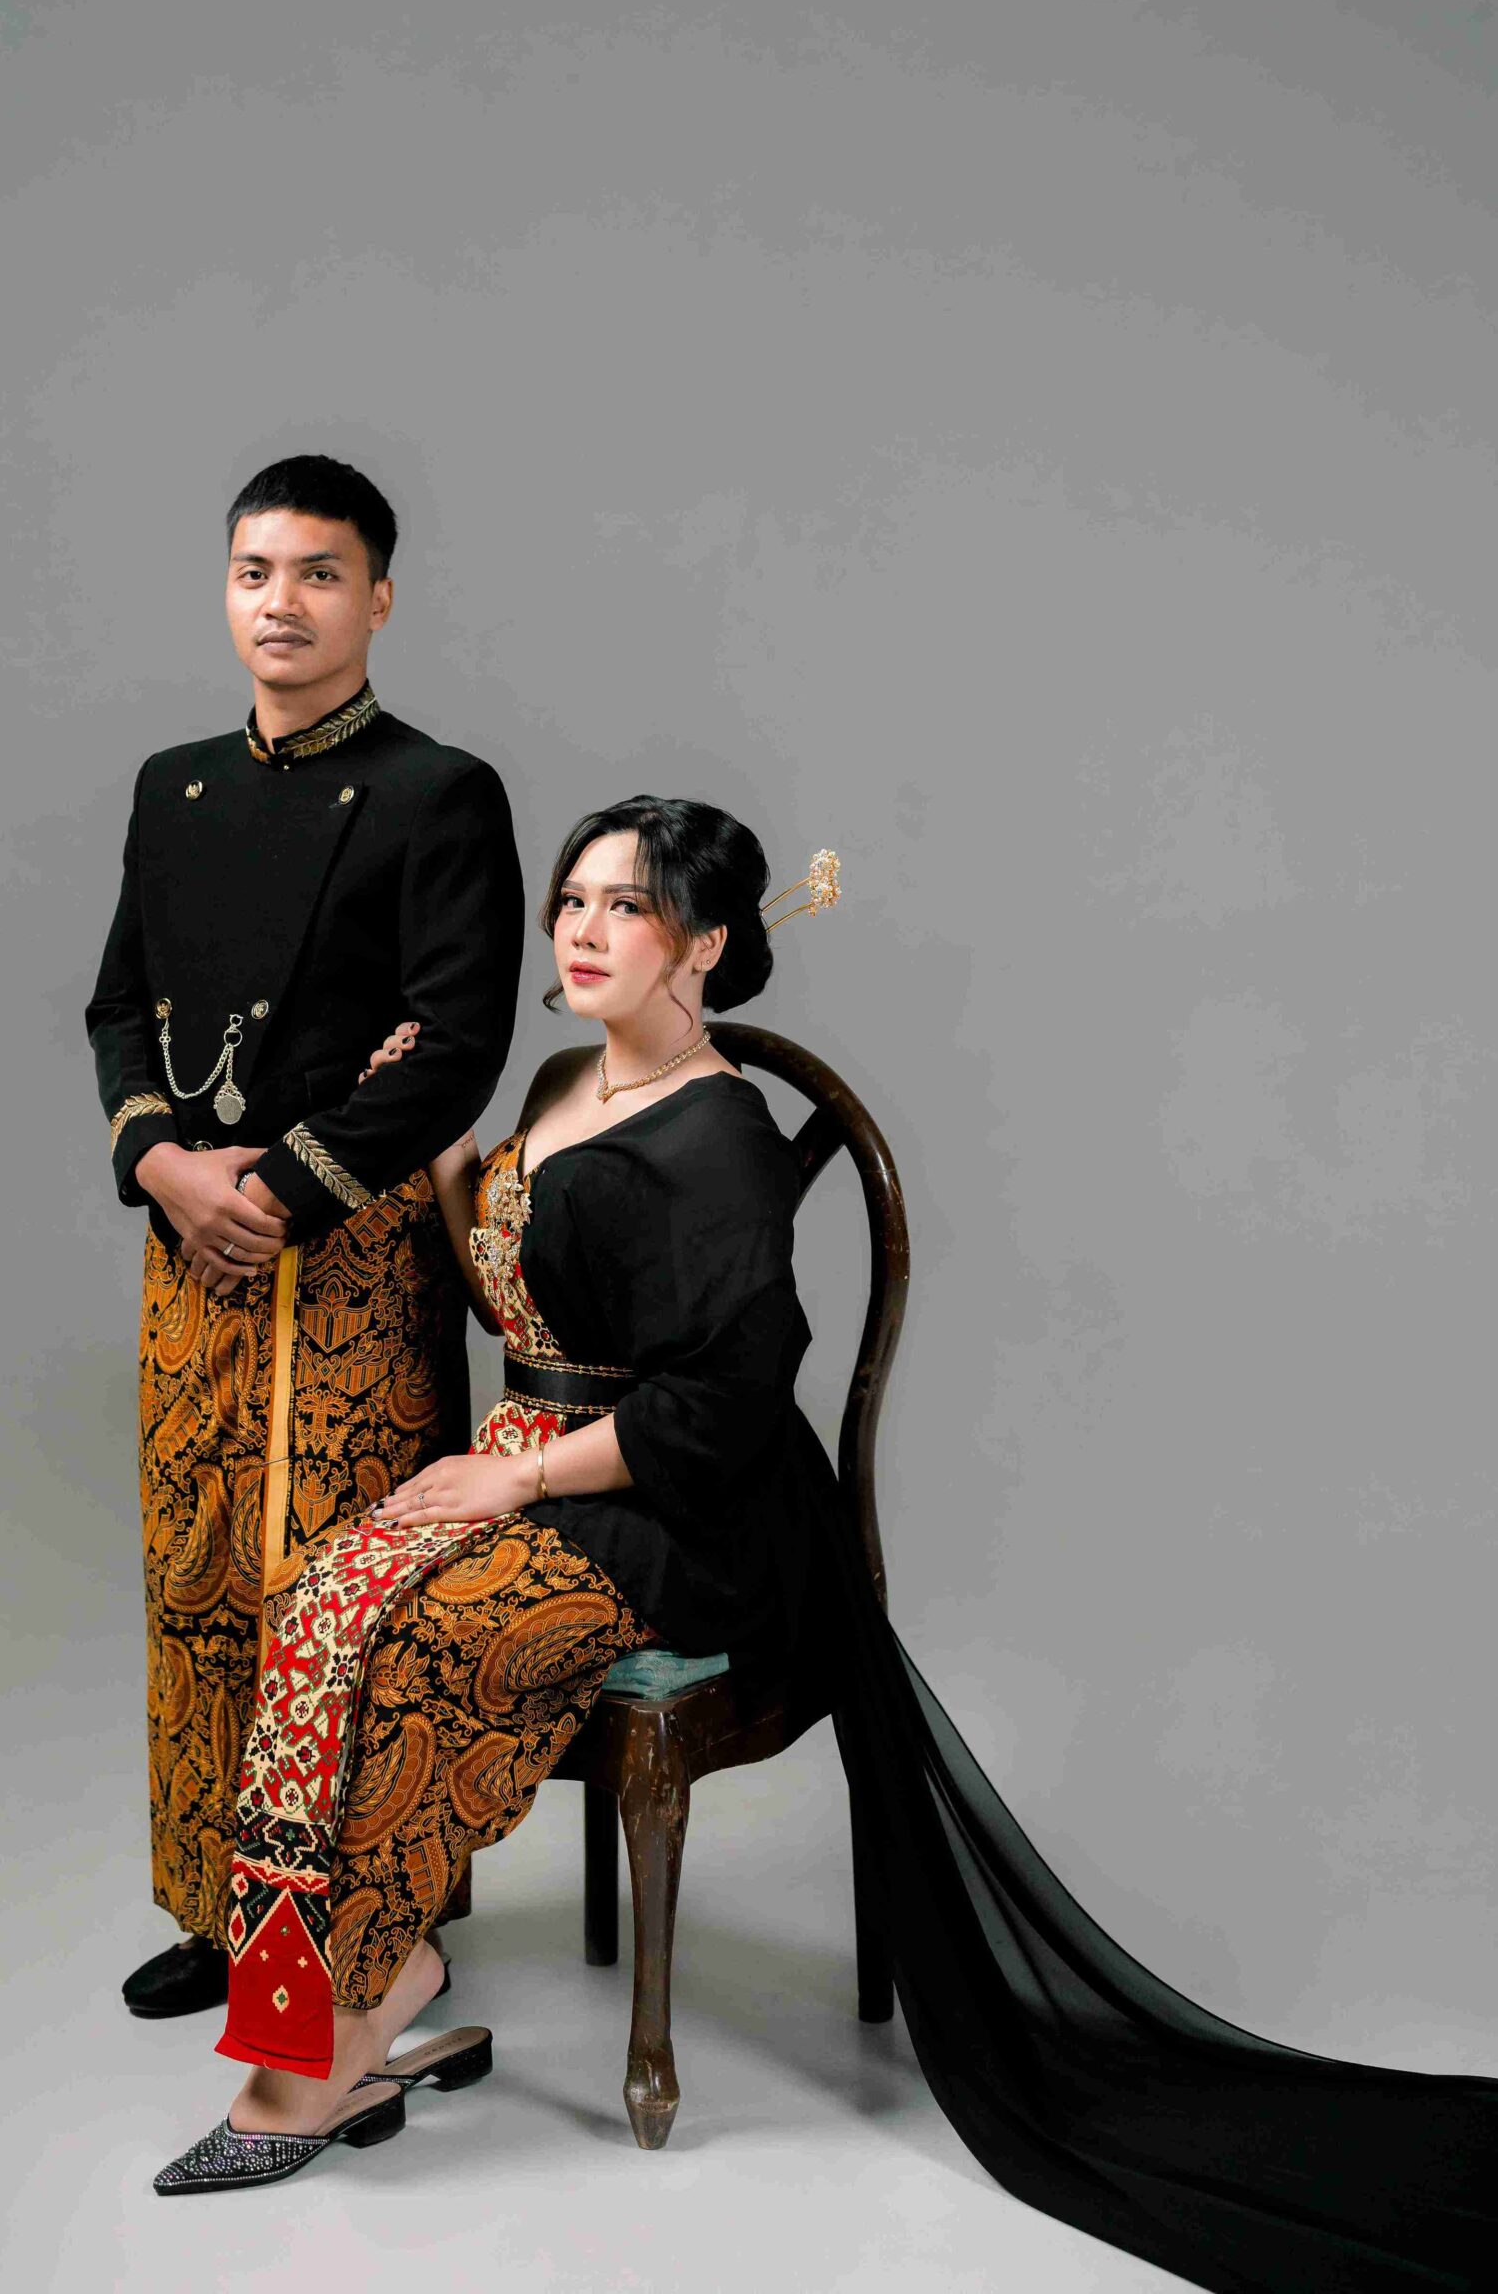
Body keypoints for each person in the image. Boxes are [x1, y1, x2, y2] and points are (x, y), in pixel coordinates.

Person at [155, 797, 1496, 2294]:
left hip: (679, 1503)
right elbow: (521, 1302)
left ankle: (319, 2050)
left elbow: (724, 1403)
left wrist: (512, 1484)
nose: (583, 931)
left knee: (441, 1636)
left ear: (706, 944)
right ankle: (374, 1974)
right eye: (573, 900)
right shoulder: (559, 1081)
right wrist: (460, 1159)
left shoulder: (720, 1135)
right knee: (319, 1598)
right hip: (532, 1459)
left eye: (628, 906)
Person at [85, 452, 523, 2020]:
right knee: (194, 1575)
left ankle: (358, 1929)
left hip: (345, 1260)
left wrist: (274, 1190)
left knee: (333, 1592)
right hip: (189, 1252)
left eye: (320, 573)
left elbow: (458, 1044)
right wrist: (160, 1166)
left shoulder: (436, 791)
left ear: (378, 598)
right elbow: (117, 1010)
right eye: (255, 572)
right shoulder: (173, 785)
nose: (283, 602)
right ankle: (221, 1913)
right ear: (227, 590)